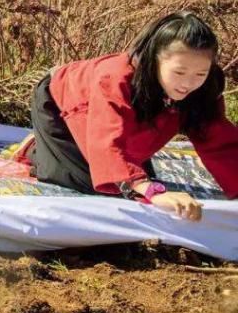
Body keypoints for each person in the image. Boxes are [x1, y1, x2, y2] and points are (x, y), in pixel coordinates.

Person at [18, 11, 238, 219]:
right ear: (155, 61)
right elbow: (107, 138)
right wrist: (150, 190)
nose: (189, 83)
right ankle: (37, 149)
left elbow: (217, 140)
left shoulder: (205, 86)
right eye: (179, 72)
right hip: (65, 102)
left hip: (127, 115)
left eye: (200, 73)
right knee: (95, 186)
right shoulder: (115, 78)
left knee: (128, 172)